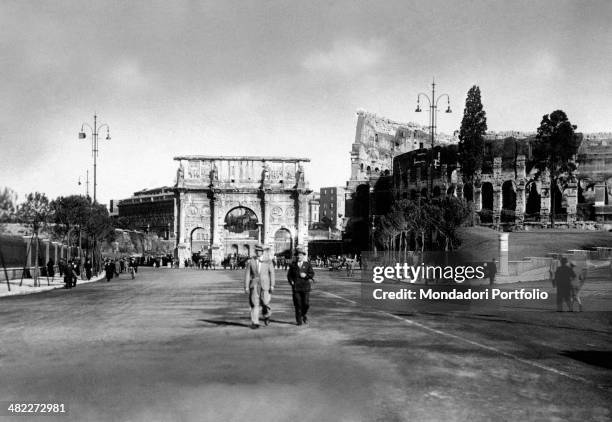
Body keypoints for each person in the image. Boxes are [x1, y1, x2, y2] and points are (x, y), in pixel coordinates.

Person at [244, 244, 275, 329]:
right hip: (254, 284)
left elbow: (272, 273)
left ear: (262, 252)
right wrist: (246, 286)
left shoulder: (268, 261)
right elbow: (247, 274)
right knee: (255, 303)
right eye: (257, 251)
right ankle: (255, 322)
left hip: (265, 285)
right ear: (255, 251)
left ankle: (267, 315)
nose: (258, 252)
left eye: (260, 251)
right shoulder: (251, 261)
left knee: (265, 302)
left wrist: (272, 285)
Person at [287, 248, 315, 326]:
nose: (299, 257)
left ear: (303, 256)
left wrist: (306, 275)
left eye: (301, 255)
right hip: (296, 288)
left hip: (305, 287)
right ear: (296, 256)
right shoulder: (293, 265)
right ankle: (299, 320)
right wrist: (291, 281)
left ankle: (303, 314)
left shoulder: (307, 264)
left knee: (306, 304)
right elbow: (289, 275)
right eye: (298, 255)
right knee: (298, 304)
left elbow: (312, 274)